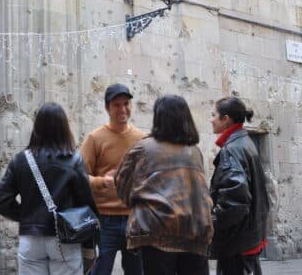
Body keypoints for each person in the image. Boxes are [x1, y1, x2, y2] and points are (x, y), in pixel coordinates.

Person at [114, 94, 214, 275]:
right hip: (194, 231)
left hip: (156, 231)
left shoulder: (142, 148)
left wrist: (139, 203)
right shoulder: (195, 151)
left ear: (158, 117)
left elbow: (122, 184)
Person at [0, 102, 98, 275]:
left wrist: (27, 216)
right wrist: (90, 247)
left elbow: (0, 200)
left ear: (37, 127)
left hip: (31, 239)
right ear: (64, 127)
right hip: (65, 240)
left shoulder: (21, 160)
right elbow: (87, 207)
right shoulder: (74, 160)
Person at [80, 83, 146, 275]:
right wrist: (102, 182)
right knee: (100, 271)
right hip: (104, 221)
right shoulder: (95, 138)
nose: (123, 109)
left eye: (126, 104)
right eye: (117, 105)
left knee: (137, 272)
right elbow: (78, 177)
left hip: (135, 220)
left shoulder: (142, 139)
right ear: (107, 108)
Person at [209, 97, 270, 275]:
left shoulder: (232, 149)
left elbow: (235, 200)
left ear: (225, 119)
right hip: (248, 237)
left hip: (237, 242)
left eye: (213, 115)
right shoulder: (245, 143)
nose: (210, 119)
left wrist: (211, 223)